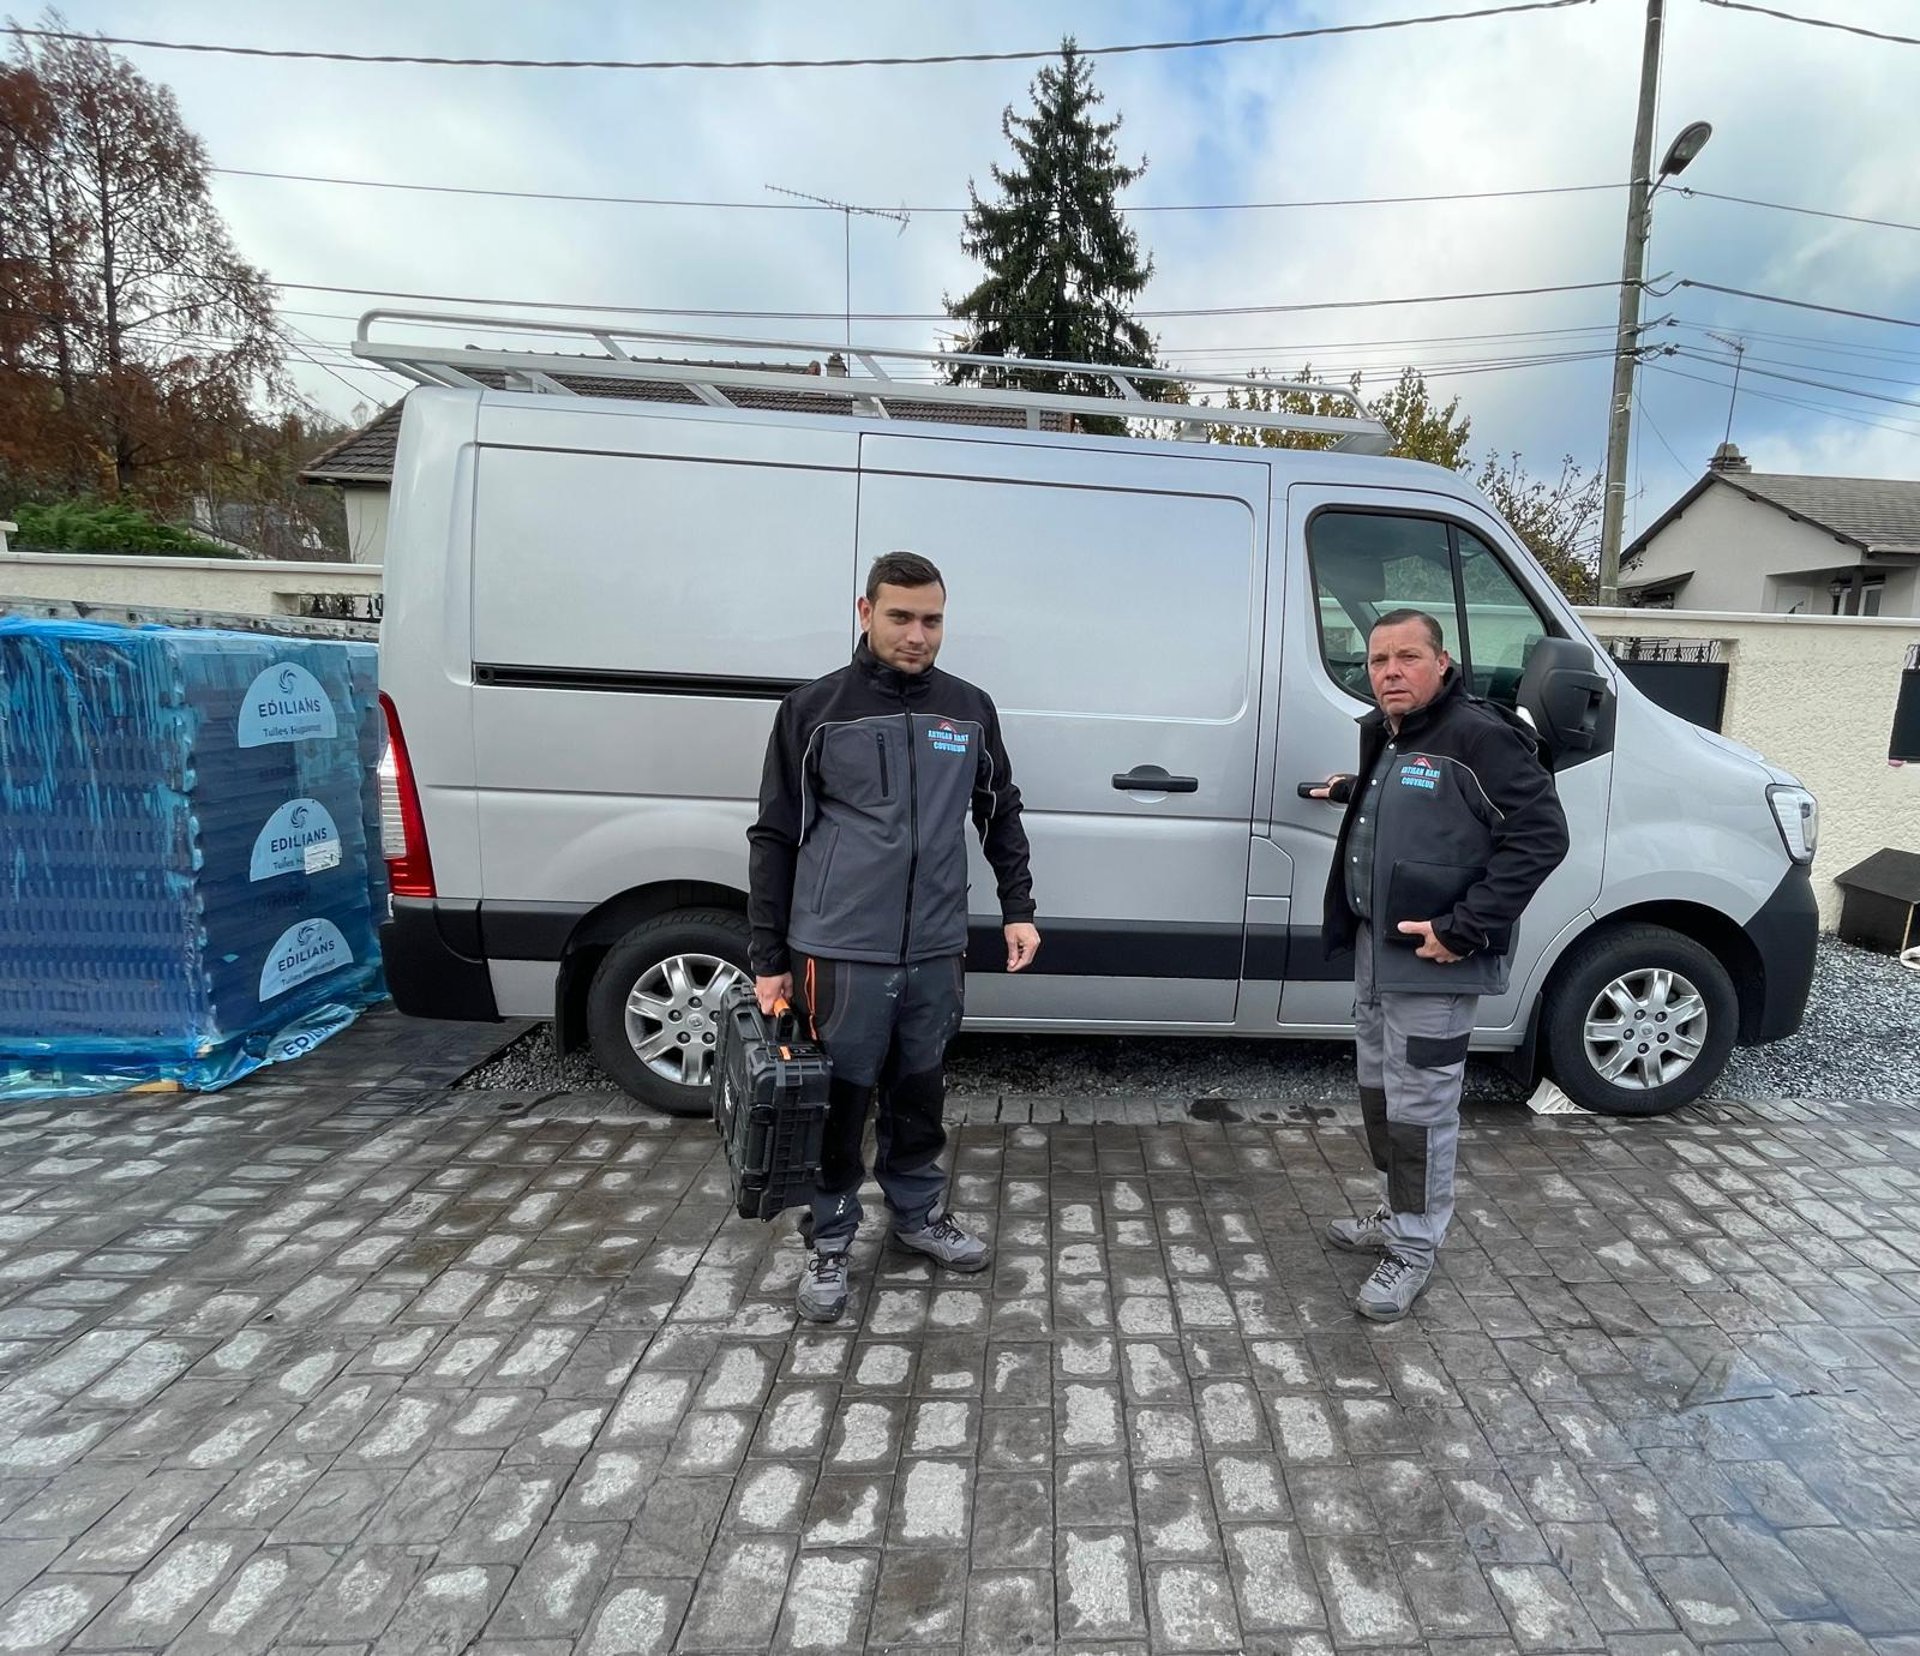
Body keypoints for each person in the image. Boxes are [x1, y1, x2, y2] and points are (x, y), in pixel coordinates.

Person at [748, 550, 1041, 1323]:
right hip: (839, 948)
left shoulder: (968, 709)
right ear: (865, 611)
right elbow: (776, 836)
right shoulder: (815, 710)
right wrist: (768, 957)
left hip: (936, 946)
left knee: (920, 1089)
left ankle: (916, 1216)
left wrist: (1018, 906)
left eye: (932, 619)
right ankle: (831, 1236)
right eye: (901, 616)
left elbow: (999, 811)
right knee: (837, 1102)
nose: (917, 634)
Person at [1309, 609, 1567, 1322]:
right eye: (1378, 659)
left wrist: (1466, 928)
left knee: (1421, 1109)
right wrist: (1346, 791)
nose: (1389, 671)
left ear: (1442, 663)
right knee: (1380, 1092)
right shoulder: (1391, 735)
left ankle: (1415, 1248)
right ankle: (1399, 1216)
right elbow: (1425, 809)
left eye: (1407, 658)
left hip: (1437, 957)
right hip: (1376, 947)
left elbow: (1542, 836)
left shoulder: (1480, 738)